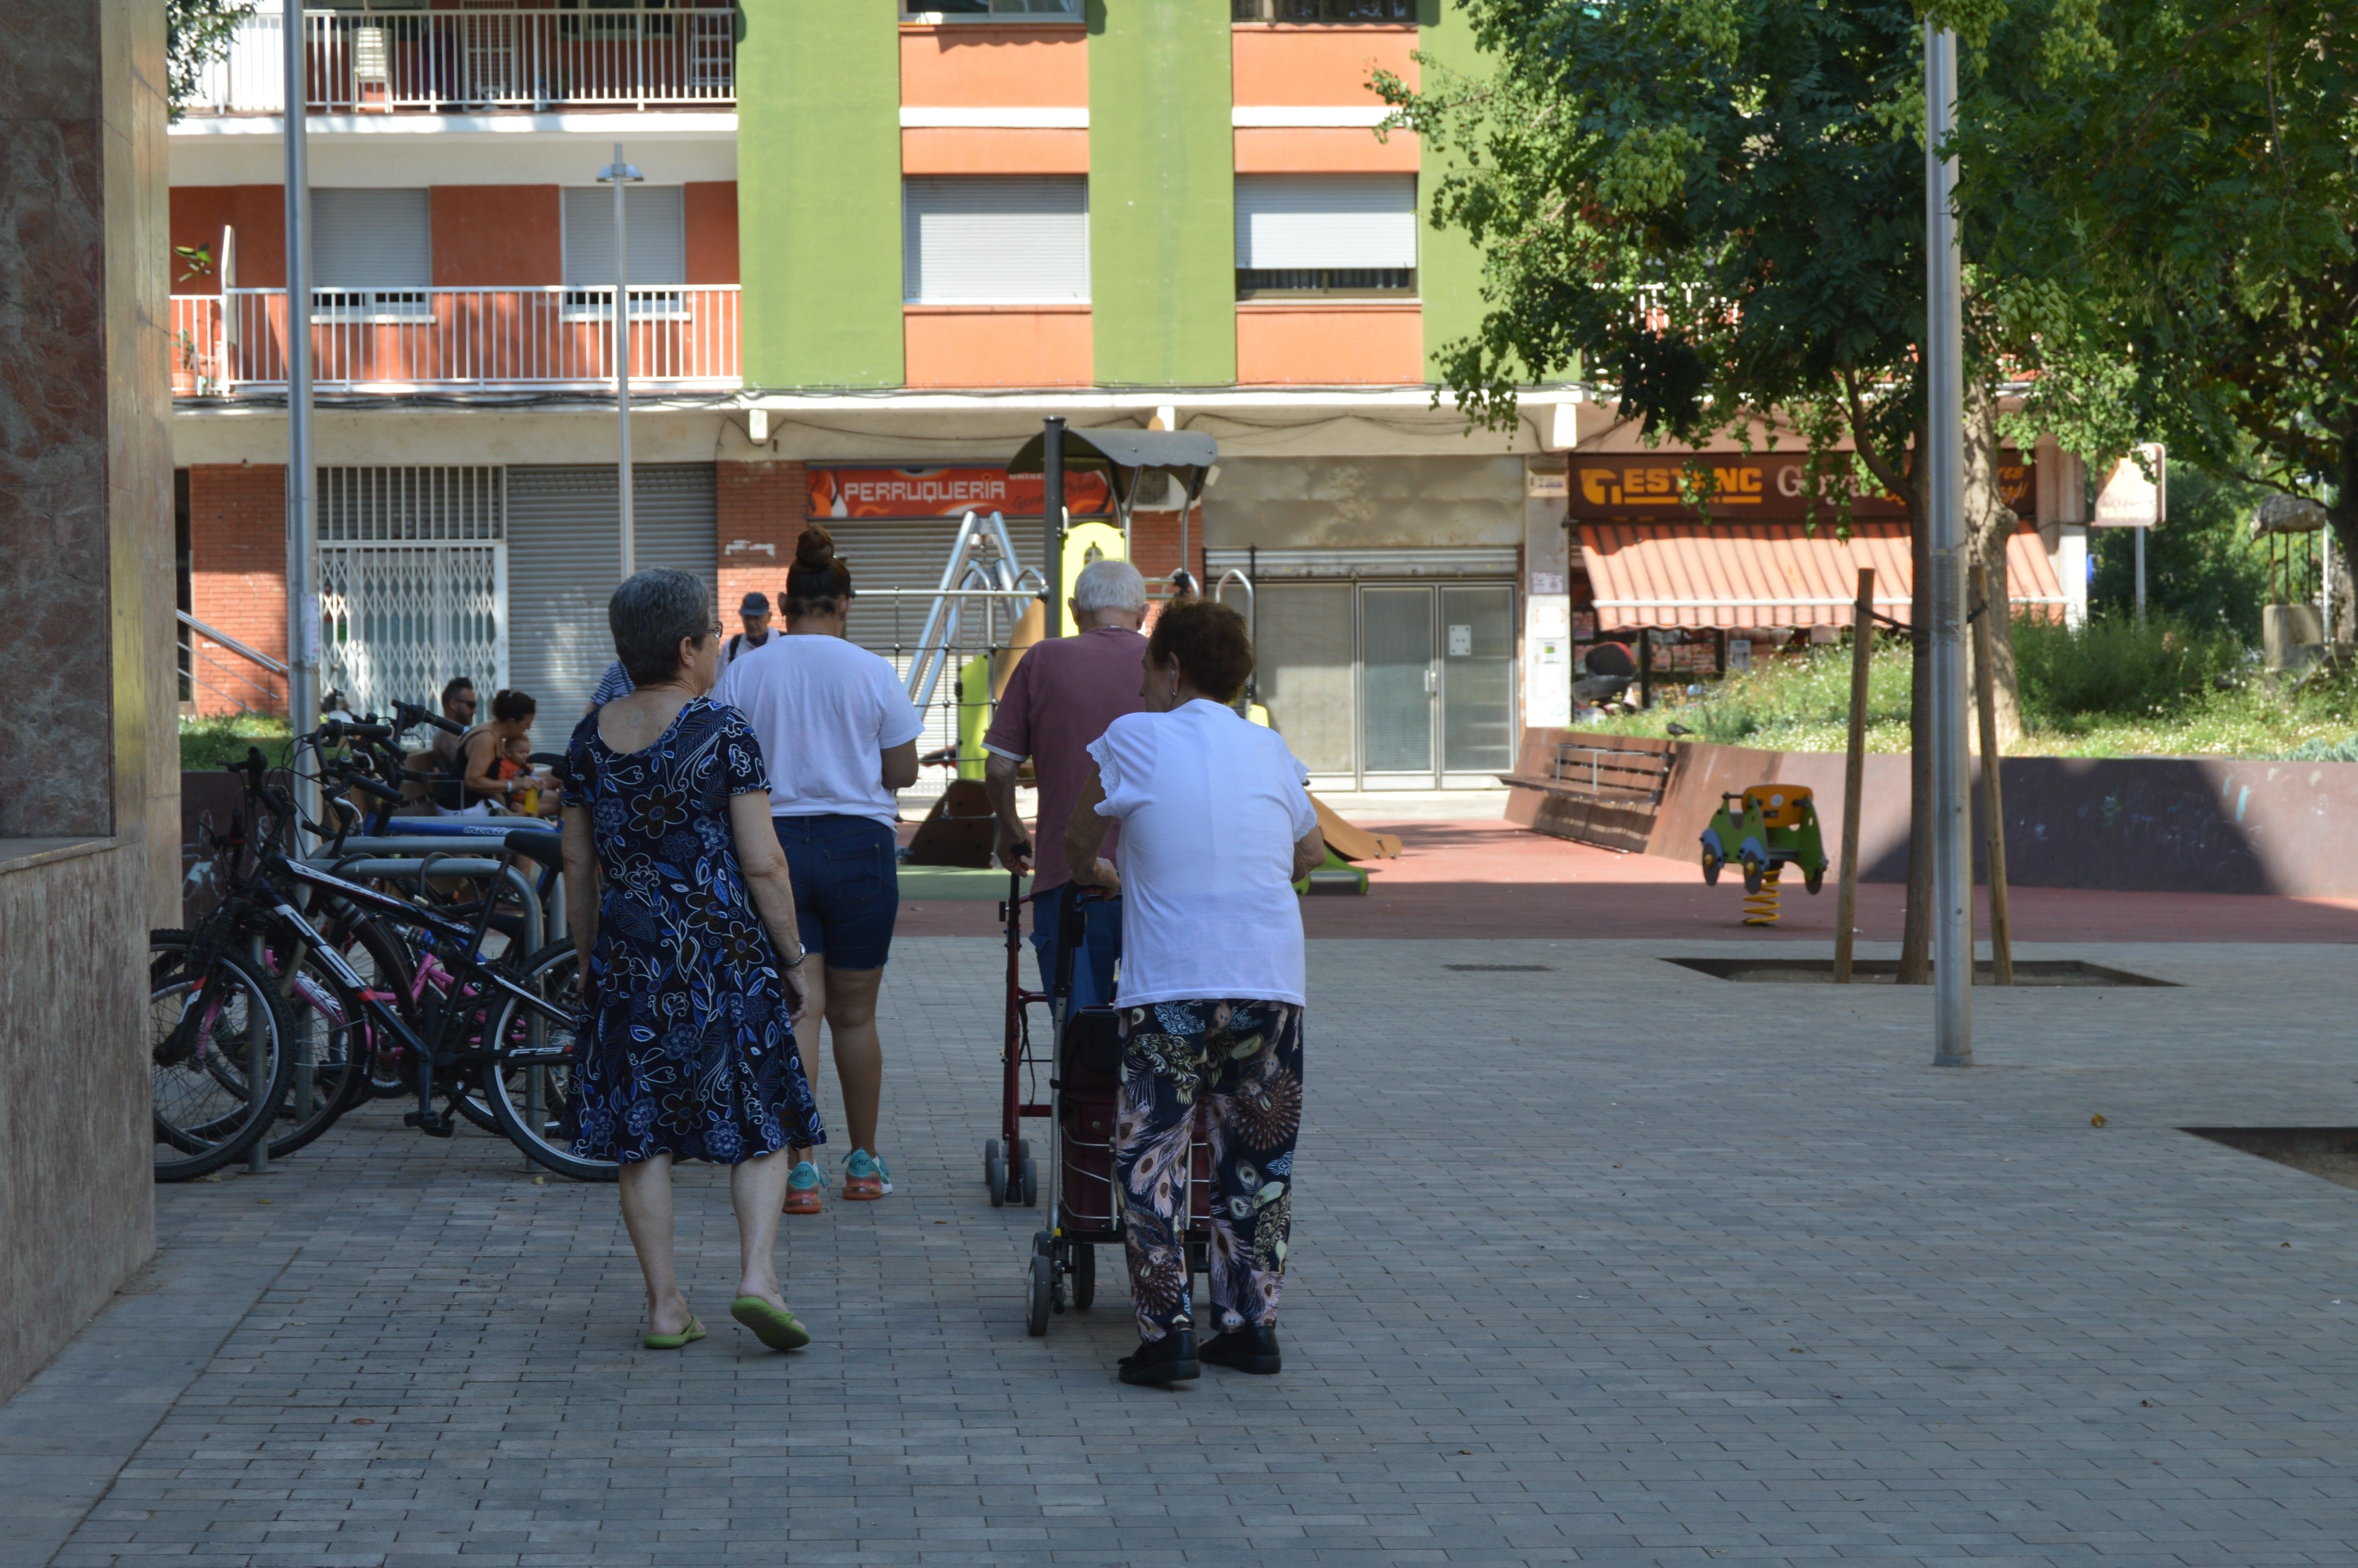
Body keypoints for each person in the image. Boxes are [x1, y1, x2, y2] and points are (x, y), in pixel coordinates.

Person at [560, 568, 824, 1353]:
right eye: (713, 636)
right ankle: (757, 1278)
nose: (719, 646)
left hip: (630, 960)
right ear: (687, 649)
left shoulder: (586, 740)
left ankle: (666, 1306)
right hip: (723, 957)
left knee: (643, 1136)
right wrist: (793, 955)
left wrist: (586, 959)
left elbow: (578, 867)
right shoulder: (722, 731)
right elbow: (764, 862)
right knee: (764, 1116)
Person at [1065, 597, 1326, 1387]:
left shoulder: (1133, 738)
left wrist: (1104, 875)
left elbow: (1079, 843)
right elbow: (1308, 852)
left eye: (1148, 667)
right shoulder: (1270, 748)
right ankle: (1251, 1326)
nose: (1141, 684)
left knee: (1153, 1161)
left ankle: (1167, 1337)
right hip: (1269, 982)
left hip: (1171, 984)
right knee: (1257, 1159)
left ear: (1174, 668)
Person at [715, 526, 923, 1215]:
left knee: (798, 1010)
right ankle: (863, 1164)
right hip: (860, 847)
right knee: (855, 1017)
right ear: (845, 603)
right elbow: (902, 770)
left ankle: (800, 1172)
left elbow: (723, 761)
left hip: (771, 849)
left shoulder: (745, 670)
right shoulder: (872, 671)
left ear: (783, 602)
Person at [981, 558, 1148, 1010]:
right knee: (1158, 1025)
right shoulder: (1166, 667)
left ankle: (1081, 1077)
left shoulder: (1043, 658)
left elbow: (998, 768)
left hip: (1067, 874)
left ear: (1075, 610)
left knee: (1076, 1035)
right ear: (1144, 612)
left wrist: (1011, 829)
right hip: (1155, 879)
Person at [452, 689, 540, 813]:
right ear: (512, 722)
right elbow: (472, 781)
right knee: (527, 821)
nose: (528, 729)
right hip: (464, 809)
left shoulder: (494, 734)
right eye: (526, 725)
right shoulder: (486, 738)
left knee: (529, 813)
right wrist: (512, 785)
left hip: (480, 803)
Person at [723, 591, 776, 667]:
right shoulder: (731, 648)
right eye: (747, 617)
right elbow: (721, 678)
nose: (751, 623)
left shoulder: (782, 643)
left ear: (769, 617)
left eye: (757, 618)